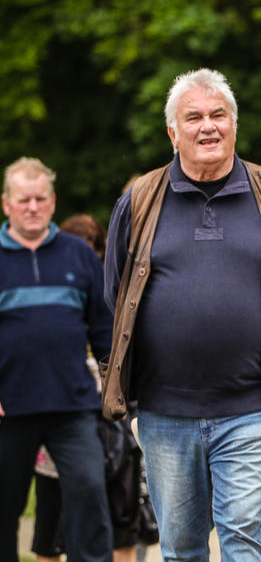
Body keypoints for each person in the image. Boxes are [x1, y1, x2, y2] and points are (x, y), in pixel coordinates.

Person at [103, 68, 261, 562]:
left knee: (241, 532)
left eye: (219, 115)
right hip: (163, 412)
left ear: (235, 125)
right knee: (180, 545)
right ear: (173, 133)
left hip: (254, 409)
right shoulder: (139, 201)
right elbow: (116, 297)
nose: (208, 126)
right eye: (193, 117)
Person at [0, 157, 114, 562]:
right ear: (7, 204)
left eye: (40, 198)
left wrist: (117, 391)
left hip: (73, 406)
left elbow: (103, 330)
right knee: (4, 511)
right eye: (23, 199)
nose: (32, 206)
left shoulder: (78, 255)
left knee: (88, 499)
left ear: (52, 202)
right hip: (8, 411)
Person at [32, 214, 146, 562]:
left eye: (92, 251)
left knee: (119, 518)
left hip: (110, 424)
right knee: (52, 526)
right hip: (58, 418)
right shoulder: (47, 294)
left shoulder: (108, 293)